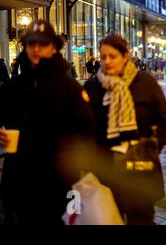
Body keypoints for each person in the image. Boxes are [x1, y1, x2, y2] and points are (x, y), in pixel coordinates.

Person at [0, 20, 95, 225]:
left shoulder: (70, 89)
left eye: (42, 43)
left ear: (54, 47)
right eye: (31, 43)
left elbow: (86, 134)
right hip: (19, 181)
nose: (36, 48)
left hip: (59, 183)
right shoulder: (12, 86)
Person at [84, 34, 166, 225]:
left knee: (142, 220)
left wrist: (149, 149)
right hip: (105, 170)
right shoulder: (92, 87)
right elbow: (84, 128)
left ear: (125, 55)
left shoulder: (145, 83)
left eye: (112, 56)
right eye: (103, 56)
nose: (106, 61)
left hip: (139, 169)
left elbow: (164, 123)